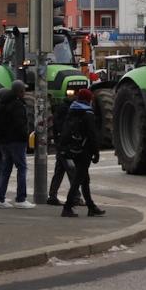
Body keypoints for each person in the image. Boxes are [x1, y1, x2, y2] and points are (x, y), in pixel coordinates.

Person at [59, 88, 105, 218]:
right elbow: (92, 135)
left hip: (75, 148)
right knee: (79, 179)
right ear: (88, 99)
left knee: (84, 179)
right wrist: (96, 152)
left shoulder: (72, 110)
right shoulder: (88, 113)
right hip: (85, 150)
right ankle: (67, 207)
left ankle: (91, 206)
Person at [0, 80, 36, 209]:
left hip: (4, 141)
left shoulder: (3, 103)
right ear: (19, 91)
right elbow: (20, 124)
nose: (25, 93)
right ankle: (21, 198)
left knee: (5, 169)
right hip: (16, 141)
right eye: (23, 90)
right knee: (22, 168)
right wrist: (26, 137)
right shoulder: (17, 105)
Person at [46, 91, 74, 206]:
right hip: (65, 145)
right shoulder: (67, 111)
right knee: (72, 171)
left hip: (61, 144)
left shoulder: (61, 109)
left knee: (59, 170)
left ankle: (52, 195)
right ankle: (76, 196)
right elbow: (66, 128)